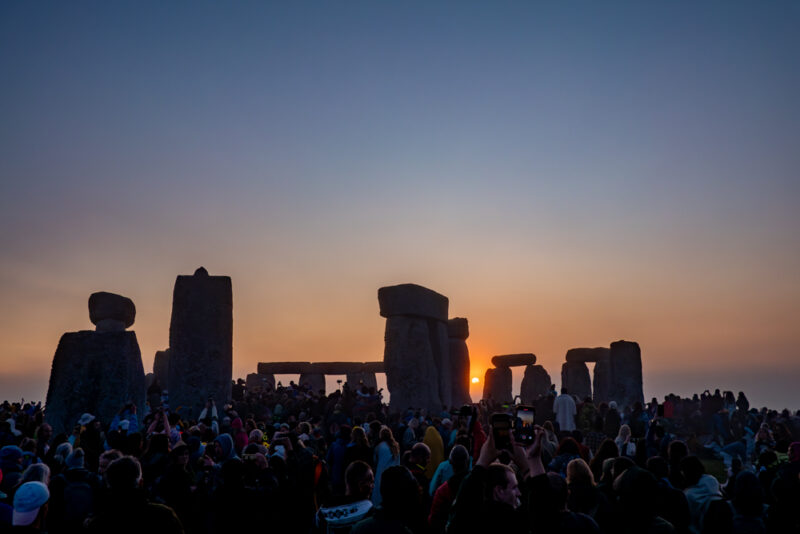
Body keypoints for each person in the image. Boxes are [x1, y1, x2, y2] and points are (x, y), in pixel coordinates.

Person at [317, 460, 375, 533]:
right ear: (361, 485)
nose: (373, 486)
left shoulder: (323, 511)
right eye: (371, 482)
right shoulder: (369, 511)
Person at [372, 426, 399, 506]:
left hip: (381, 472)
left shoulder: (379, 446)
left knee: (379, 492)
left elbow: (374, 460)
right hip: (394, 472)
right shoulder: (396, 446)